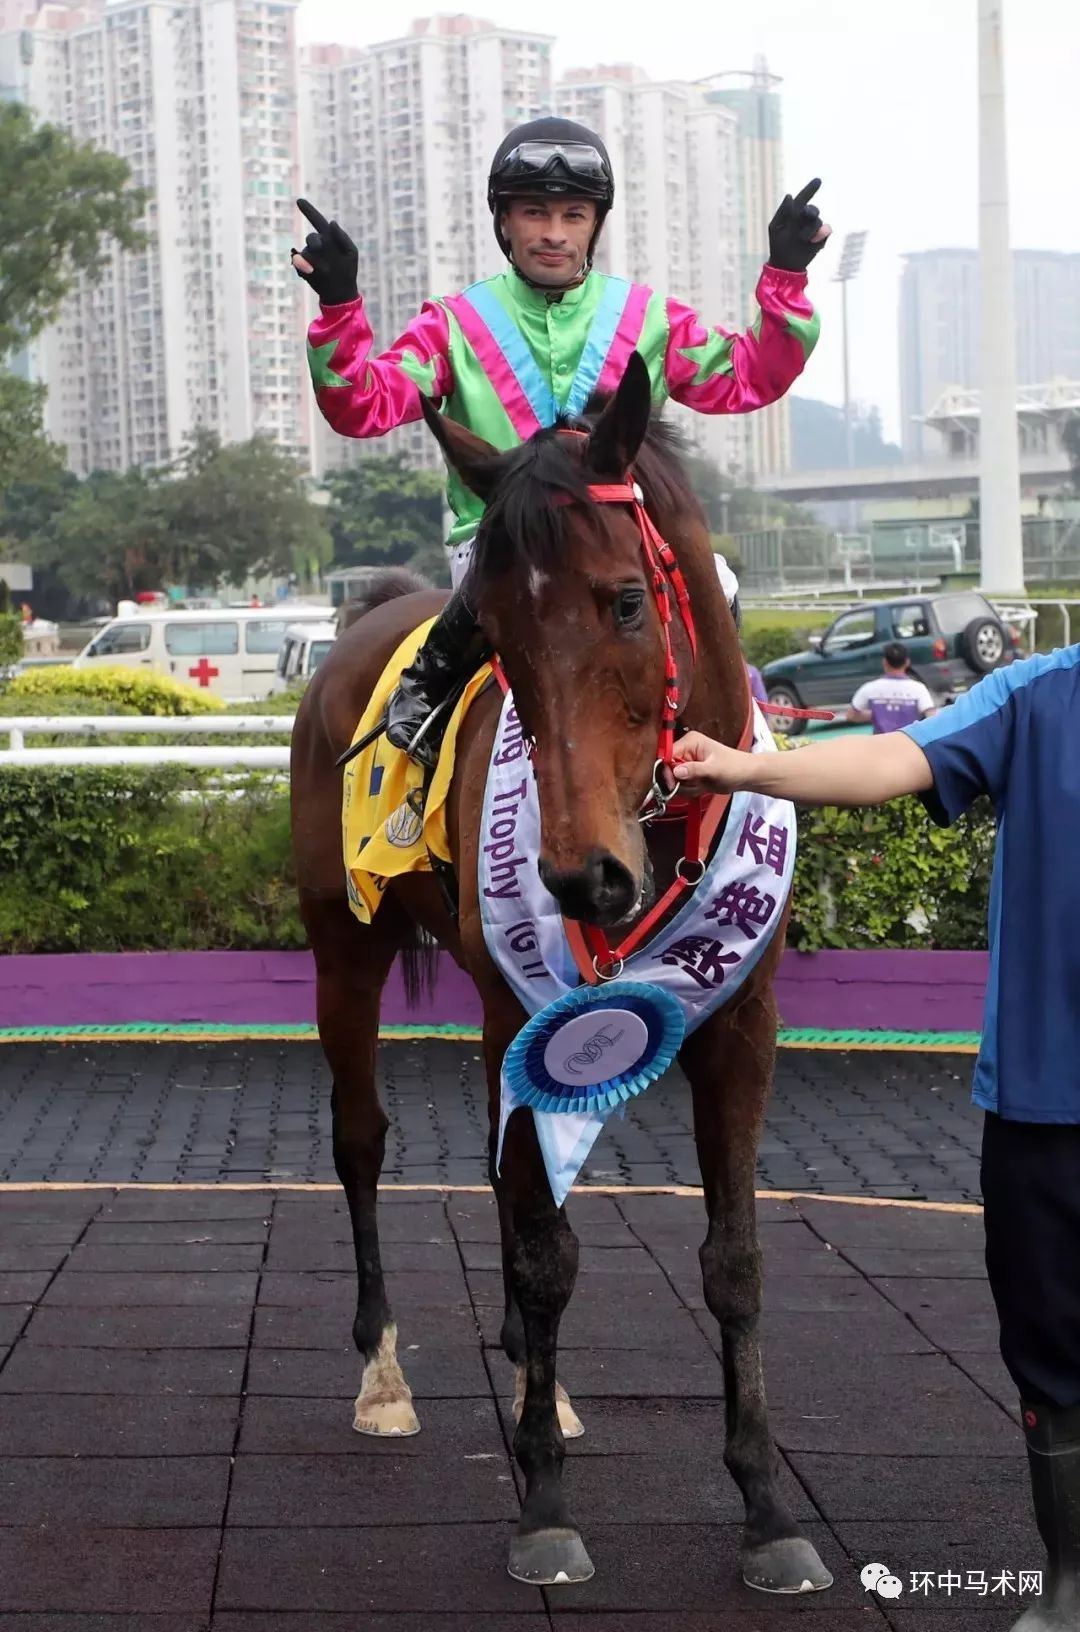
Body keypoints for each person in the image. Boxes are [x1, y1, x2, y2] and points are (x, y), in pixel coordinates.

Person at [670, 644, 1080, 1632]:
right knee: (1052, 1352)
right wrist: (747, 768)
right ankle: (1069, 1582)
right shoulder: (1040, 697)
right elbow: (892, 764)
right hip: (1047, 1103)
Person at [292, 116, 830, 765]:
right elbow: (362, 405)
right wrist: (339, 303)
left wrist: (786, 275)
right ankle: (422, 705)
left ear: (594, 225)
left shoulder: (650, 319)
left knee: (716, 577)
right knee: (516, 577)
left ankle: (741, 726)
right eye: (534, 213)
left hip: (624, 547)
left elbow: (747, 376)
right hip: (502, 545)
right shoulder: (453, 326)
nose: (552, 233)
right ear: (504, 222)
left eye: (573, 215)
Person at [847, 640, 937, 733]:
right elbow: (931, 716)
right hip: (909, 743)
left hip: (881, 744)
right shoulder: (918, 688)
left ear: (884, 662)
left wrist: (876, 715)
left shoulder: (869, 688)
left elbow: (851, 715)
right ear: (907, 662)